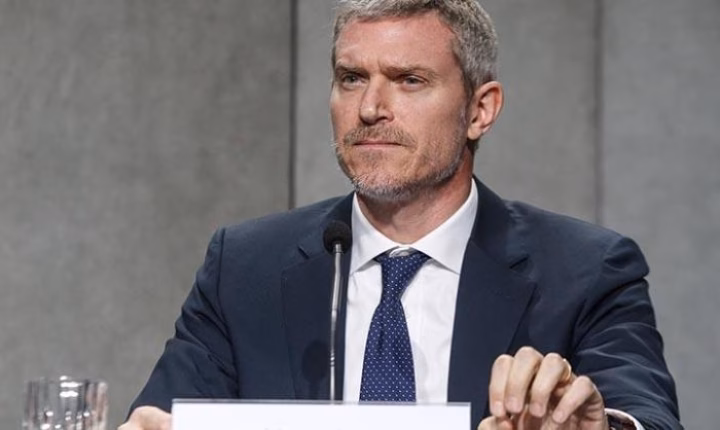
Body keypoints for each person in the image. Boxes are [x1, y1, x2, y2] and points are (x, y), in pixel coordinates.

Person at [119, 1, 681, 429]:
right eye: (351, 78)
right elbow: (163, 417)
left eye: (409, 80)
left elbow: (646, 415)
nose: (369, 108)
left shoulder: (585, 271)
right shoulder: (245, 268)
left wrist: (599, 428)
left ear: (480, 111)